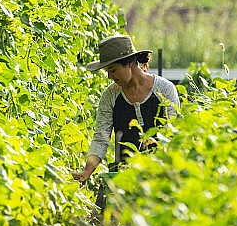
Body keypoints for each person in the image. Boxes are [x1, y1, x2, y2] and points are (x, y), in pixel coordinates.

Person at [71, 34, 180, 206]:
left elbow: (173, 135)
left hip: (161, 174)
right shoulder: (110, 96)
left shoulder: (165, 89)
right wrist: (87, 171)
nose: (109, 77)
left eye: (112, 70)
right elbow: (101, 137)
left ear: (129, 63)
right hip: (121, 176)